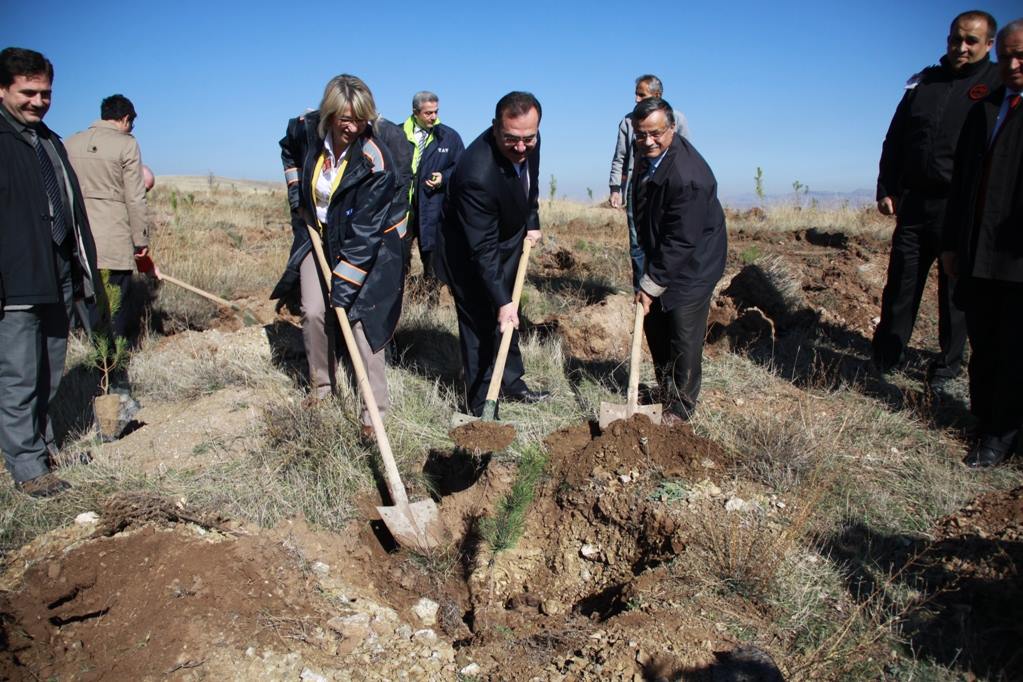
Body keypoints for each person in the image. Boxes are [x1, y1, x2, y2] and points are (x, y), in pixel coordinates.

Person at [270, 74, 405, 437]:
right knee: (314, 311)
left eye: (361, 119)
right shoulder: (306, 129)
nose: (353, 126)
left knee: (362, 320)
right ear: (329, 113)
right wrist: (297, 191)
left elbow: (365, 235)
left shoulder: (376, 160)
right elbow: (288, 151)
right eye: (346, 118)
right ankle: (322, 387)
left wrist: (344, 287)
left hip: (367, 242)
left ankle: (373, 413)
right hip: (318, 235)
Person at [872, 11, 1000, 391]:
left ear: (988, 45)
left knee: (954, 291)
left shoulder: (995, 86)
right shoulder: (925, 83)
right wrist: (886, 187)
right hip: (915, 204)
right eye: (955, 39)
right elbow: (894, 139)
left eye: (971, 41)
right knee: (901, 282)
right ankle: (887, 355)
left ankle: (946, 367)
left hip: (959, 208)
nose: (961, 47)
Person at [0, 47, 99, 497]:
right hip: (15, 278)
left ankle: (43, 449)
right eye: (28, 92)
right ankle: (27, 469)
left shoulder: (49, 142)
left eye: (45, 93)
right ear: (3, 89)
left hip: (57, 270)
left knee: (49, 369)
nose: (38, 101)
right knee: (20, 374)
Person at [435, 91, 550, 417]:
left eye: (528, 138)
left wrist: (532, 220)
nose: (521, 147)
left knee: (508, 314)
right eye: (511, 139)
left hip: (506, 238)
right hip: (468, 254)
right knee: (481, 323)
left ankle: (512, 382)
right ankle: (481, 406)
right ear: (495, 128)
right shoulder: (477, 174)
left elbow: (531, 182)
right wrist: (500, 301)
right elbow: (482, 250)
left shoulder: (529, 142)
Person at [941, 18, 1023, 468]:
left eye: (1021, 56)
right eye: (1007, 55)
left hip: (1017, 259)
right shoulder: (986, 109)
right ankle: (984, 419)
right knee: (985, 343)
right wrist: (953, 245)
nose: (1012, 64)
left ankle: (1003, 434)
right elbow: (964, 187)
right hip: (978, 252)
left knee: (1016, 348)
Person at [631, 97, 726, 425]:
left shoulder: (688, 176)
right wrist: (649, 273)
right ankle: (665, 391)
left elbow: (682, 240)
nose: (648, 141)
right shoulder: (648, 155)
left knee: (683, 332)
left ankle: (681, 409)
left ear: (672, 128)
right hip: (665, 254)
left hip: (695, 262)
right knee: (655, 322)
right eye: (641, 134)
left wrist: (651, 282)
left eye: (656, 133)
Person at [67, 94, 150, 339]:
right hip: (112, 236)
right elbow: (135, 197)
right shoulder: (126, 144)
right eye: (131, 124)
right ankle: (110, 360)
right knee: (114, 301)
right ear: (125, 119)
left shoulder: (70, 142)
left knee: (83, 296)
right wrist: (140, 240)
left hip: (76, 237)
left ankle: (84, 344)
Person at [608, 74, 690, 291]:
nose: (636, 99)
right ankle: (641, 292)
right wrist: (616, 188)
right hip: (638, 189)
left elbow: (685, 154)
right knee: (637, 242)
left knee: (665, 238)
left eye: (641, 94)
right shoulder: (627, 122)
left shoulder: (677, 120)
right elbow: (620, 157)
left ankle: (665, 289)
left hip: (666, 188)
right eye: (635, 94)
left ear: (657, 95)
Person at [402, 91, 464, 284]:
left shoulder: (449, 137)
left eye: (436, 112)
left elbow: (462, 169)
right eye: (428, 113)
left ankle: (431, 302)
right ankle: (399, 298)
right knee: (398, 256)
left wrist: (444, 178)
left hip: (432, 206)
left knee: (432, 258)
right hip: (402, 207)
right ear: (415, 112)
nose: (434, 117)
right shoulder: (397, 134)